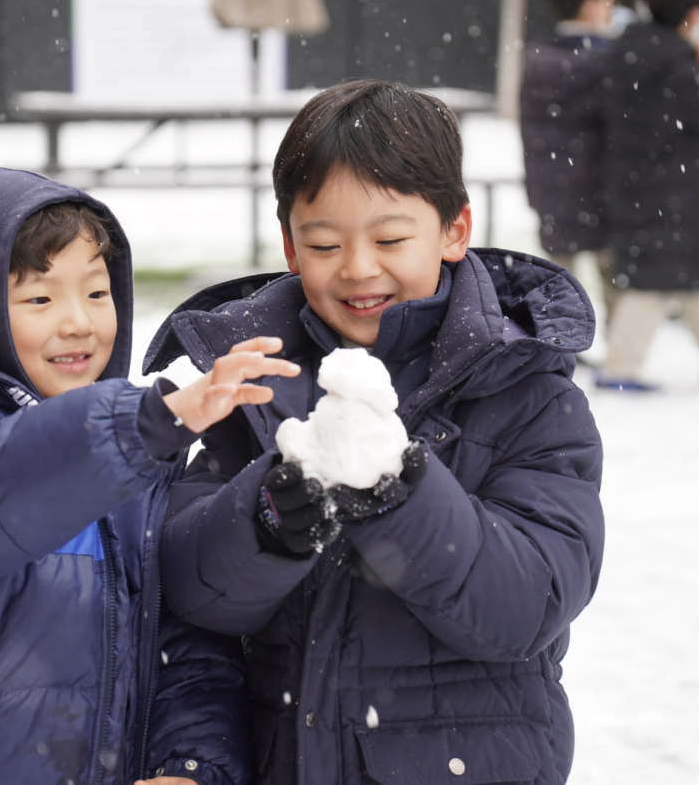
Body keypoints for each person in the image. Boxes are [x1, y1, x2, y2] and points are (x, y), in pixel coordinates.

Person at [145, 80, 605, 785]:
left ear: (454, 229)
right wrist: (266, 522)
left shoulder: (529, 395)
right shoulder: (252, 381)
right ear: (290, 245)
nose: (359, 268)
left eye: (390, 239)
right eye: (325, 242)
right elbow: (191, 586)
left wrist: (400, 497)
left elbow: (525, 607)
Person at [0, 168, 296, 784]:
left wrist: (189, 762)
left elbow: (179, 645)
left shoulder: (136, 453)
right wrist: (139, 428)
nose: (77, 322)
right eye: (39, 299)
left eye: (97, 293)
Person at [597, 0, 699, 389]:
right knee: (657, 282)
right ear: (693, 16)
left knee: (690, 276)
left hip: (636, 182)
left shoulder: (626, 53)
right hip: (675, 189)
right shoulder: (679, 64)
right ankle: (620, 368)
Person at [521, 0, 619, 326]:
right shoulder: (610, 63)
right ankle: (620, 358)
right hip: (601, 190)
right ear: (591, 6)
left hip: (553, 190)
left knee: (557, 279)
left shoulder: (536, 60)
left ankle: (558, 344)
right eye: (609, 2)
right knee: (613, 275)